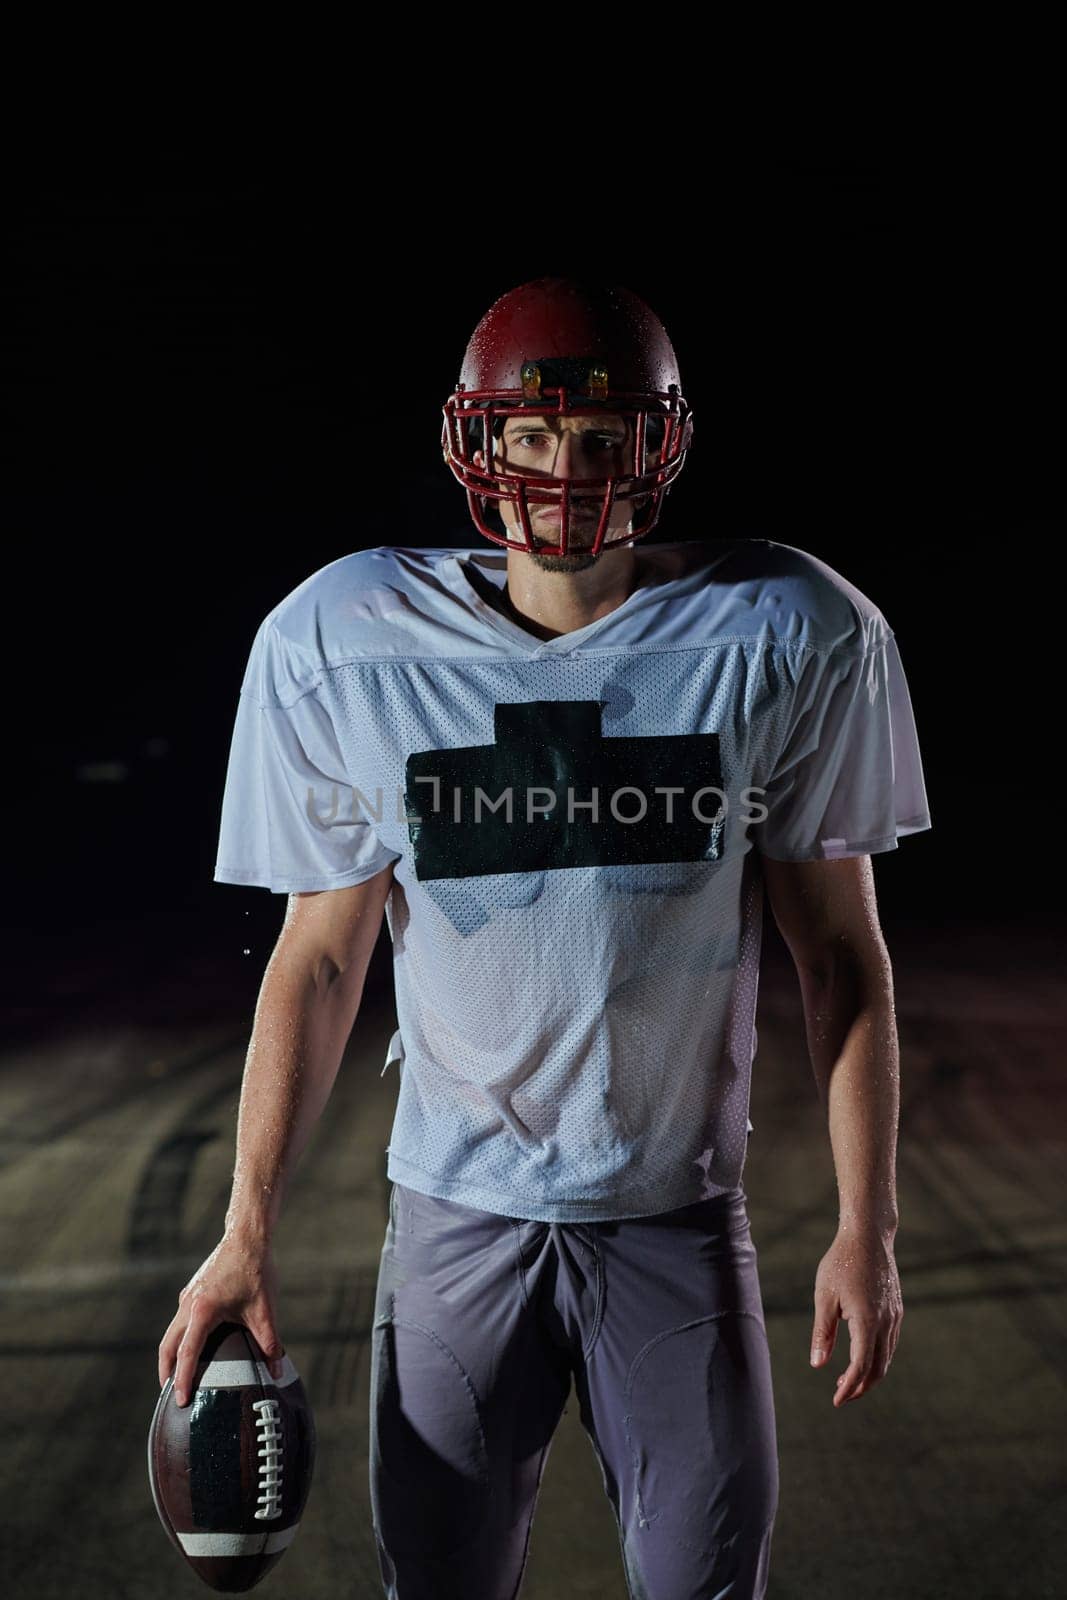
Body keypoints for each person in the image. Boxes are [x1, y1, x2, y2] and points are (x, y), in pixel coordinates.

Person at [158, 277, 933, 1599]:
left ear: (659, 447)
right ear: (480, 443)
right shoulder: (349, 645)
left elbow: (841, 961)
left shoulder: (787, 635)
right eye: (531, 435)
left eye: (599, 439)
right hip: (458, 1214)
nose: (563, 472)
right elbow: (323, 959)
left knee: (708, 1582)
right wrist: (245, 1230)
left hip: (675, 1212)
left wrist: (871, 1222)